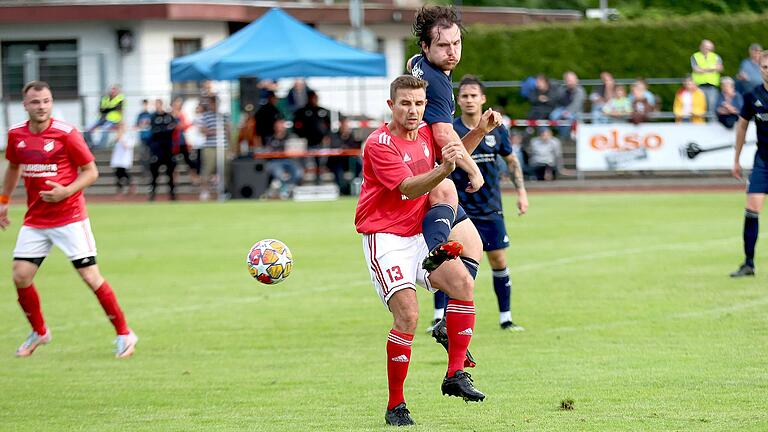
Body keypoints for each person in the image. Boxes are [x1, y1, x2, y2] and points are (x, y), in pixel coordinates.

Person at [355, 75, 488, 427]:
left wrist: (479, 132)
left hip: (417, 237)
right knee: (409, 317)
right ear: (391, 106)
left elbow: (454, 154)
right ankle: (395, 405)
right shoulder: (379, 143)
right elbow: (409, 188)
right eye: (405, 103)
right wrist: (443, 169)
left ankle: (455, 374)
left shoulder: (428, 133)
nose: (413, 110)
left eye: (418, 104)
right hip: (385, 240)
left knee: (462, 284)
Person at [0, 81, 137, 358]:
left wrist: (66, 191)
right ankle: (39, 331)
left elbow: (91, 171)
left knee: (90, 276)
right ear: (25, 105)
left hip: (70, 218)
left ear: (52, 103)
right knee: (21, 276)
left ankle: (124, 334)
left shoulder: (67, 134)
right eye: (36, 102)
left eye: (46, 101)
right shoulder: (16, 135)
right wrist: (3, 202)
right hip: (36, 219)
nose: (42, 107)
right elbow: (14, 166)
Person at [445, 75, 529, 331]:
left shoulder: (498, 129)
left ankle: (506, 318)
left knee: (498, 260)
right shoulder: (451, 129)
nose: (469, 100)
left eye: (474, 96)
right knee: (450, 262)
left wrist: (522, 192)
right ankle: (440, 317)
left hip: (491, 207)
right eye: (465, 96)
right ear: (458, 101)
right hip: (460, 208)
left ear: (483, 99)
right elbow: (455, 157)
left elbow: (512, 161)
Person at [730, 50, 768, 277]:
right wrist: (736, 159)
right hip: (763, 159)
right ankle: (749, 264)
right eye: (765, 67)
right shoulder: (752, 95)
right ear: (760, 68)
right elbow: (742, 126)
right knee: (752, 207)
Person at [293, 90, 331, 184]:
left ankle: (319, 180)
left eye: (316, 97)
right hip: (306, 143)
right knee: (304, 163)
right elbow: (296, 126)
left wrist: (326, 136)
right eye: (313, 97)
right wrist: (301, 137)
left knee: (320, 163)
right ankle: (301, 180)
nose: (315, 99)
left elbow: (328, 126)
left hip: (320, 142)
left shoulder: (322, 111)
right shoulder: (302, 111)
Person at [263, 119, 304, 199]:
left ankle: (287, 189)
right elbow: (266, 151)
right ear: (274, 127)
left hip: (289, 161)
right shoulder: (270, 138)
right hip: (275, 161)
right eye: (278, 126)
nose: (280, 128)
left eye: (281, 126)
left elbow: (297, 150)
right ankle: (281, 191)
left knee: (298, 172)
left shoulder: (291, 137)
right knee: (279, 173)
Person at [148, 98, 178, 201]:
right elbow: (154, 131)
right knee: (154, 173)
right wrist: (164, 130)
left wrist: (162, 130)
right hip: (157, 150)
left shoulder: (168, 116)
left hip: (168, 150)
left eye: (158, 104)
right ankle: (152, 195)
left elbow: (172, 128)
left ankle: (172, 195)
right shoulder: (153, 117)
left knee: (170, 173)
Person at [326, 117, 362, 195]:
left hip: (348, 161)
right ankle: (342, 190)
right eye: (344, 124)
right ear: (340, 124)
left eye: (347, 125)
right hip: (336, 161)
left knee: (359, 165)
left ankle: (352, 185)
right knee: (338, 171)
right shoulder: (334, 135)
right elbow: (335, 146)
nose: (346, 126)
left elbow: (355, 146)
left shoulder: (351, 136)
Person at [691, 39, 723, 120]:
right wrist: (711, 69)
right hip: (699, 87)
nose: (708, 50)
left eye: (709, 48)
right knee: (699, 107)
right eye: (706, 47)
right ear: (701, 47)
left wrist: (703, 69)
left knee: (712, 108)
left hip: (712, 87)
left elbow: (720, 68)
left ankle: (712, 126)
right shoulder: (695, 56)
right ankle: (698, 126)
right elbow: (697, 70)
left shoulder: (716, 57)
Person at [85, 84, 124, 148]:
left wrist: (107, 109)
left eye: (114, 89)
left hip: (114, 120)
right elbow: (101, 110)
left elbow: (117, 109)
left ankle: (101, 146)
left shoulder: (120, 98)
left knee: (105, 128)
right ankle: (90, 144)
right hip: (103, 119)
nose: (113, 91)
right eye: (112, 89)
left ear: (118, 91)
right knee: (88, 128)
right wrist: (110, 109)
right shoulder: (105, 98)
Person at [550, 71, 586, 137]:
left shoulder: (580, 91)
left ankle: (565, 136)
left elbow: (576, 105)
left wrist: (567, 112)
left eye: (572, 80)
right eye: (568, 80)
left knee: (567, 119)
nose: (570, 82)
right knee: (553, 115)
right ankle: (564, 134)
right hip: (562, 109)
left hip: (575, 112)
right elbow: (558, 101)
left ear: (576, 80)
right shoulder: (562, 90)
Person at [109, 122, 135, 195]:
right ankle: (120, 189)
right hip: (117, 159)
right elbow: (111, 145)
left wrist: (121, 139)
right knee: (118, 174)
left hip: (124, 159)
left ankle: (130, 184)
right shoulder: (116, 137)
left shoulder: (129, 136)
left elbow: (127, 146)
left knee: (124, 173)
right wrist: (117, 138)